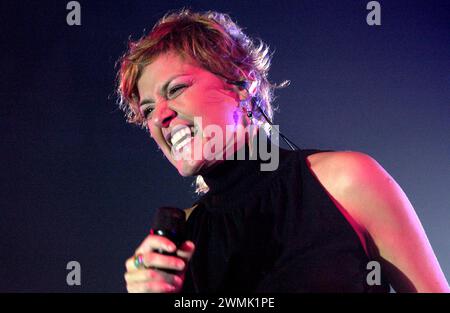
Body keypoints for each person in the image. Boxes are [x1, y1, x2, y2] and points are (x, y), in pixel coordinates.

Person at [117, 9, 449, 293]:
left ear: (242, 85)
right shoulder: (184, 238)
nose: (160, 116)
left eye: (175, 88)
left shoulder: (345, 182)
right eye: (147, 110)